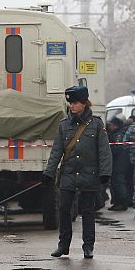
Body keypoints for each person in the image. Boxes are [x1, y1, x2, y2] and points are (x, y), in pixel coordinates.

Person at [43, 86, 112, 259]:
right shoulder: (64, 125)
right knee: (64, 209)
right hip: (68, 173)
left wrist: (105, 173)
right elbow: (56, 151)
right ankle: (63, 245)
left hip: (89, 174)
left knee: (88, 211)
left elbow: (104, 151)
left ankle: (88, 246)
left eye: (75, 103)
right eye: (70, 103)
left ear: (84, 103)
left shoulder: (96, 124)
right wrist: (49, 172)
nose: (71, 106)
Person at [107, 116, 131, 211]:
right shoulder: (115, 133)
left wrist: (107, 151)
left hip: (119, 162)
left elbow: (117, 148)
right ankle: (118, 202)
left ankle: (122, 202)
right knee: (116, 182)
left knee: (118, 182)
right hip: (117, 161)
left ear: (115, 125)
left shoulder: (119, 135)